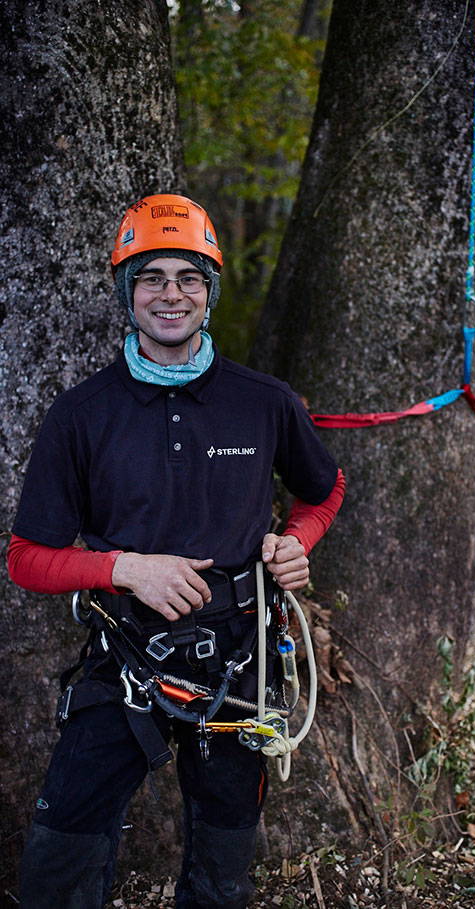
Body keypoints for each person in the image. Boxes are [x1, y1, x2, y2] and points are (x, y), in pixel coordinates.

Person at [8, 193, 345, 909]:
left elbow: (326, 489)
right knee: (59, 859)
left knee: (223, 871)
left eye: (189, 277)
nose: (170, 294)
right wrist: (124, 567)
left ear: (210, 290)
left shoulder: (263, 401)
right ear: (126, 293)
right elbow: (26, 557)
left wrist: (297, 541)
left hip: (238, 661)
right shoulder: (81, 414)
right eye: (150, 277)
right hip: (122, 657)